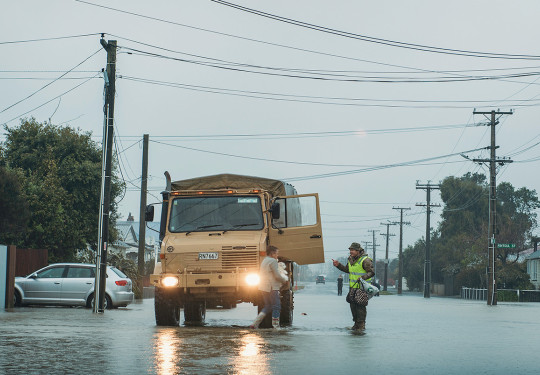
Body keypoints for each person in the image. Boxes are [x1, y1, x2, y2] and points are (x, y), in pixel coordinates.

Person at [332, 242, 375, 331]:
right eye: (350, 250)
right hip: (353, 287)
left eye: (352, 250)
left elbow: (371, 272)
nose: (350, 252)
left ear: (358, 251)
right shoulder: (350, 259)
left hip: (362, 287)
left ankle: (361, 325)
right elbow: (348, 270)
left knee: (360, 306)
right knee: (353, 306)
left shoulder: (366, 260)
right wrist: (338, 265)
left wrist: (363, 278)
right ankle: (356, 324)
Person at [250, 245, 288, 329]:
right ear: (272, 253)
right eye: (276, 254)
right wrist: (283, 281)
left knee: (268, 306)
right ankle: (276, 326)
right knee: (276, 306)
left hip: (263, 287)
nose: (277, 255)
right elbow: (277, 275)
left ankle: (255, 323)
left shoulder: (265, 260)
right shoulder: (273, 261)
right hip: (271, 287)